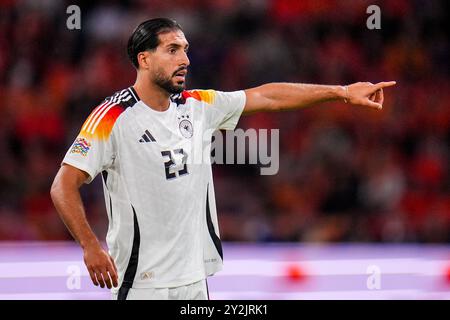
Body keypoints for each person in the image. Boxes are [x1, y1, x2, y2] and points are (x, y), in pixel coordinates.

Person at [50, 18, 396, 300]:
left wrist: (341, 93)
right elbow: (63, 185)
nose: (184, 59)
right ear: (144, 58)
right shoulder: (112, 117)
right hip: (141, 282)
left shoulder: (197, 104)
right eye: (172, 50)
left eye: (185, 50)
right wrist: (89, 245)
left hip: (194, 279)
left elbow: (267, 96)